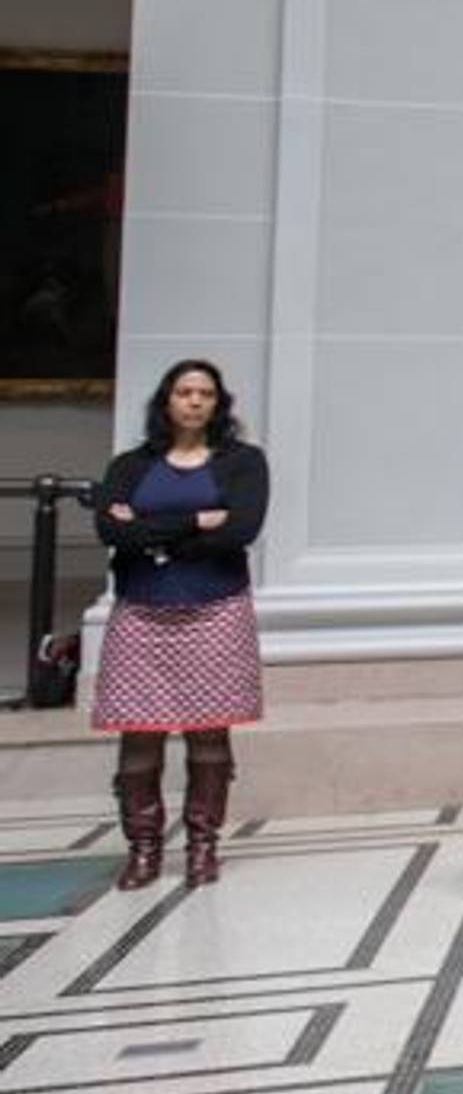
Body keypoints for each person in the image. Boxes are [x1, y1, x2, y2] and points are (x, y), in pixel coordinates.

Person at [91, 358, 270, 888]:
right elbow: (111, 532)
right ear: (166, 400)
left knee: (209, 731)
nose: (194, 401)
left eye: (205, 393)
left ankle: (201, 844)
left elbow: (240, 529)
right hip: (143, 609)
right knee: (139, 733)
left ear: (219, 403)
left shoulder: (243, 462)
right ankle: (143, 847)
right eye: (184, 391)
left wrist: (148, 530)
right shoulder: (130, 465)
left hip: (215, 607)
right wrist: (193, 520)